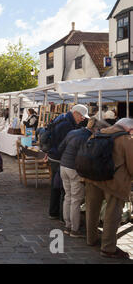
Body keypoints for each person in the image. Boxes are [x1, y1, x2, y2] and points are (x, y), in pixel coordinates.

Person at [84, 118, 133, 259]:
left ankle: (91, 239)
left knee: (92, 209)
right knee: (112, 214)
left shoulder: (98, 133)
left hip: (93, 178)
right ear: (128, 129)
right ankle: (108, 248)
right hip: (114, 183)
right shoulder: (126, 139)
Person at [57, 117, 109, 238]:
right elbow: (88, 158)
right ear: (96, 129)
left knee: (68, 196)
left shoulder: (73, 132)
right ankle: (74, 230)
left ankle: (68, 225)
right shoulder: (89, 137)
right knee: (75, 199)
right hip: (74, 169)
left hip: (64, 166)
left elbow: (61, 148)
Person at [47, 104, 90, 221]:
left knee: (57, 187)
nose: (83, 119)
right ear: (75, 113)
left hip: (55, 156)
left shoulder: (64, 119)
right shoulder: (66, 124)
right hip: (58, 158)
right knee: (62, 189)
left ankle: (55, 213)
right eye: (81, 116)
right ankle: (62, 216)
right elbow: (64, 145)